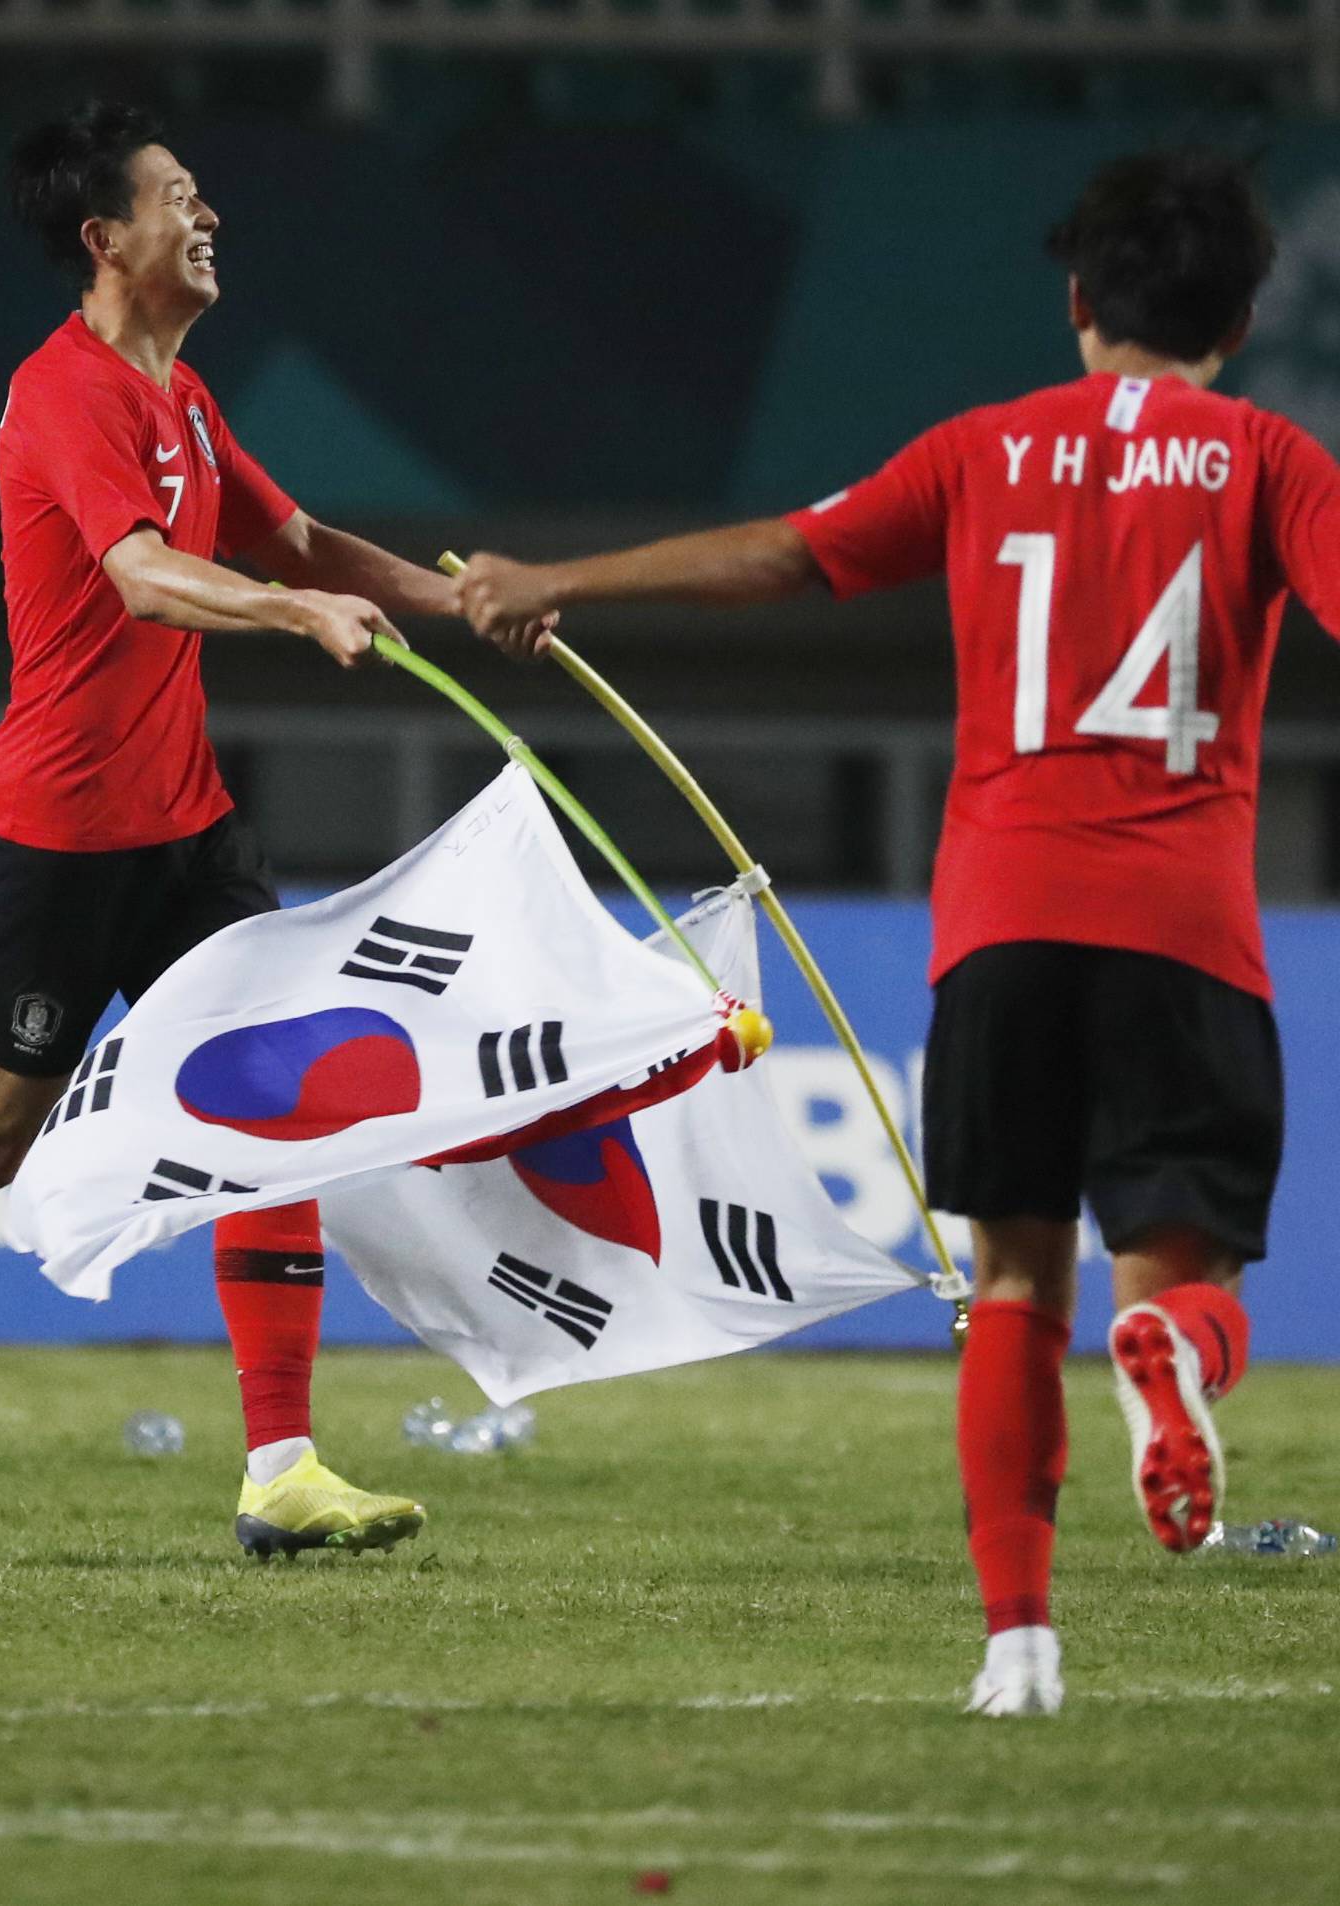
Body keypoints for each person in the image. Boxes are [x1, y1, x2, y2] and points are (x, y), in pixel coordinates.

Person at [452, 147, 1340, 1711]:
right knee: (1179, 1271)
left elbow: (794, 552)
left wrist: (560, 579)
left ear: (1079, 305)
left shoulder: (985, 447)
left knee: (1011, 1281)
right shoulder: (1272, 460)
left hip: (1000, 919)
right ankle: (1181, 1356)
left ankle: (1018, 1648)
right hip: (1185, 922)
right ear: (1246, 314)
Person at [0, 100, 542, 1559]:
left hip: (186, 831)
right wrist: (292, 611)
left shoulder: (185, 397)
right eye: (180, 196)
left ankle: (283, 1466)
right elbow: (141, 574)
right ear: (104, 236)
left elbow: (298, 539)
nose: (209, 217)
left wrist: (464, 596)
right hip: (54, 838)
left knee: (285, 1100)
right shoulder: (66, 394)